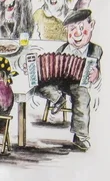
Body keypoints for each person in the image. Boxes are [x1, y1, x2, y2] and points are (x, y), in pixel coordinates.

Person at [35, 9, 102, 151]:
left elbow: (97, 71)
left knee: (82, 98)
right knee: (38, 84)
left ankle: (80, 136)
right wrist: (38, 69)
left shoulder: (95, 50)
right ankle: (58, 99)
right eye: (72, 29)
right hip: (60, 81)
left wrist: (95, 74)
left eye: (81, 28)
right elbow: (50, 66)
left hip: (79, 83)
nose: (77, 33)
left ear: (92, 26)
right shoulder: (63, 48)